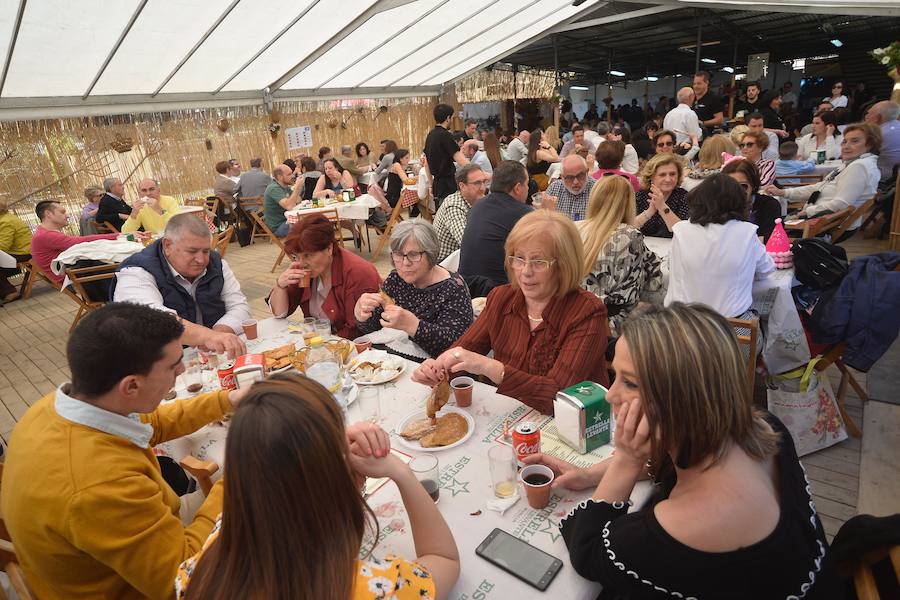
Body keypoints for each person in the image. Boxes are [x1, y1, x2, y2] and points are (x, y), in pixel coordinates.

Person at [529, 303, 832, 599]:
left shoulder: (686, 524)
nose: (611, 395)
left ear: (684, 398)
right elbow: (670, 462)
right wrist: (590, 474)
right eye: (615, 376)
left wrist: (626, 459)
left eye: (630, 383)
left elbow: (589, 549)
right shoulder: (762, 426)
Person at [0, 303, 248, 599]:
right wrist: (238, 478)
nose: (182, 369)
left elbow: (150, 422)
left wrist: (228, 400)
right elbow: (181, 578)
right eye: (173, 366)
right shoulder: (98, 486)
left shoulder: (61, 406)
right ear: (131, 386)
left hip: (108, 560)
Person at [175, 374, 460, 600]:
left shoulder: (201, 565)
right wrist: (400, 472)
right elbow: (444, 559)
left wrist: (320, 455)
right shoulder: (373, 587)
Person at [413, 210, 608, 414]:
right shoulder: (501, 298)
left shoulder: (587, 312)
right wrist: (437, 370)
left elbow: (559, 398)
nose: (525, 271)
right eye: (519, 258)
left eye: (538, 262)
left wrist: (492, 368)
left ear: (564, 265)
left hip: (578, 427)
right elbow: (464, 350)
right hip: (512, 416)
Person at [112, 212, 250, 359]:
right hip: (156, 364)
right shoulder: (135, 272)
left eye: (206, 251)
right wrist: (207, 336)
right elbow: (153, 320)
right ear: (167, 245)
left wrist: (220, 333)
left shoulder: (216, 264)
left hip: (212, 358)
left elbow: (240, 307)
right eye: (192, 251)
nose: (201, 260)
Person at [355, 220, 473, 358]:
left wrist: (413, 326)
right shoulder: (396, 279)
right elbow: (373, 327)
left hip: (434, 369)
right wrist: (361, 313)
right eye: (398, 254)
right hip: (393, 361)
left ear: (431, 254)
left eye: (414, 255)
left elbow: (456, 346)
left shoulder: (453, 288)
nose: (405, 263)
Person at [665, 175, 774, 317]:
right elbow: (766, 269)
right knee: (763, 323)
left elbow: (670, 265)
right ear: (739, 202)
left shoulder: (681, 230)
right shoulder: (746, 232)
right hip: (728, 328)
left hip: (681, 324)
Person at [268, 214, 380, 340]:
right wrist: (280, 286)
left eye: (308, 255)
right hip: (320, 340)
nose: (301, 263)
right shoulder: (303, 269)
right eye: (296, 256)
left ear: (329, 248)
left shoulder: (357, 273)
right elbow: (279, 314)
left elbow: (356, 331)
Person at [577, 176, 661, 337]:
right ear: (628, 203)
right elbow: (652, 283)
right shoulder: (630, 236)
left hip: (574, 317)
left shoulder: (576, 228)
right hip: (610, 328)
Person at [766, 123, 881, 232]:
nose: (846, 146)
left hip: (824, 223)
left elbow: (840, 204)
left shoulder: (859, 166)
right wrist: (783, 192)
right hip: (822, 219)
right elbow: (819, 188)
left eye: (855, 141)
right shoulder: (853, 164)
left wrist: (806, 212)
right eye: (844, 141)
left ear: (870, 144)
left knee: (766, 225)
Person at [458, 161, 533, 291]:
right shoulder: (523, 213)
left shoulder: (478, 206)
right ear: (517, 188)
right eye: (527, 184)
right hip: (498, 291)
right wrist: (547, 214)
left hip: (466, 287)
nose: (528, 188)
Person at [29, 200, 118, 284]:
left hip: (79, 276)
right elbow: (82, 241)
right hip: (77, 282)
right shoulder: (45, 236)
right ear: (49, 214)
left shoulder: (43, 232)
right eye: (62, 212)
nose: (67, 216)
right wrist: (118, 236)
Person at [432, 164, 488, 262]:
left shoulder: (478, 200)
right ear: (462, 186)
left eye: (484, 182)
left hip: (462, 258)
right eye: (477, 183)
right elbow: (468, 244)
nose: (483, 188)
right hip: (445, 264)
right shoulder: (454, 206)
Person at [722, 157, 783, 242]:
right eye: (730, 186)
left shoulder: (769, 204)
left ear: (753, 185)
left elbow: (771, 238)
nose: (736, 191)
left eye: (743, 186)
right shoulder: (720, 206)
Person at [634, 154, 689, 238]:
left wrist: (663, 207)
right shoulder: (640, 196)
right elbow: (627, 227)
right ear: (651, 177)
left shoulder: (684, 197)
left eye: (672, 174)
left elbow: (683, 232)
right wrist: (649, 212)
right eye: (662, 175)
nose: (668, 179)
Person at [425, 104, 468, 208]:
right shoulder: (446, 135)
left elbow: (426, 163)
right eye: (451, 117)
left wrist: (430, 184)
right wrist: (477, 171)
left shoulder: (430, 135)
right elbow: (461, 160)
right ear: (448, 118)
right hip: (448, 185)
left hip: (437, 184)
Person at [0, 199, 32, 302]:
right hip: (20, 251)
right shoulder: (5, 218)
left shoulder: (5, 221)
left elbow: (3, 246)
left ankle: (9, 292)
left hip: (24, 252)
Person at [545, 155, 595, 221]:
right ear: (561, 177)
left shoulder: (597, 189)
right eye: (569, 177)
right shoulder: (554, 188)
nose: (575, 182)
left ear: (587, 172)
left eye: (580, 176)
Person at [864, 100, 900, 181]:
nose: (866, 117)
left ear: (878, 118)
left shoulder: (877, 134)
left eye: (869, 114)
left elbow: (857, 157)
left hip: (884, 180)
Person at [263, 164, 302, 237]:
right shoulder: (274, 188)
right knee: (308, 227)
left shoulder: (284, 186)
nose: (293, 176)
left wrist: (296, 189)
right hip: (279, 226)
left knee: (312, 222)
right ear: (280, 177)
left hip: (288, 220)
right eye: (289, 174)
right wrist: (297, 188)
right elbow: (290, 206)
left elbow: (299, 200)